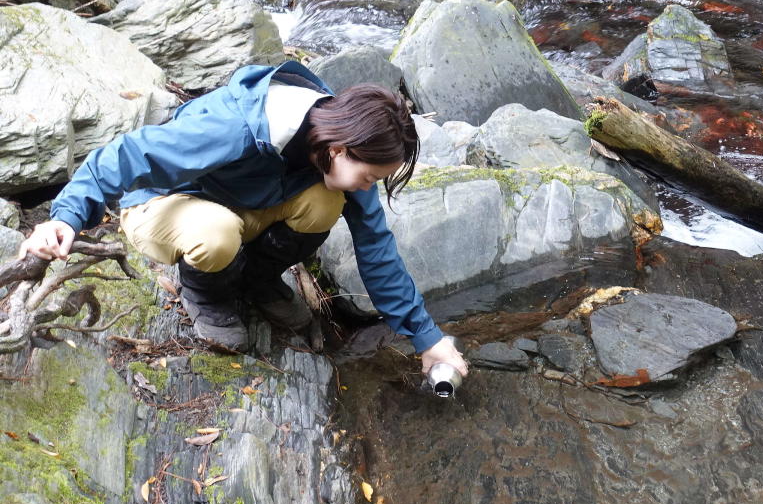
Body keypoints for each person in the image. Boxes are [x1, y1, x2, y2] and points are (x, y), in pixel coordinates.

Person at [18, 61, 468, 378]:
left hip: (238, 208)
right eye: (368, 176)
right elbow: (127, 155)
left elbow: (376, 249)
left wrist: (427, 338)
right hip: (162, 207)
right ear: (338, 150)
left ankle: (254, 280)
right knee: (216, 234)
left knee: (324, 204)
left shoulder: (334, 142)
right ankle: (206, 294)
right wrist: (67, 216)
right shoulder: (235, 126)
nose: (366, 187)